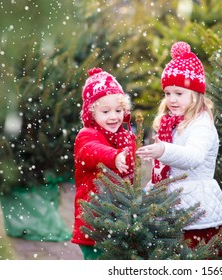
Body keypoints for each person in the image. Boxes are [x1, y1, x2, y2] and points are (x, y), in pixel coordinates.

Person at [136, 42, 222, 250]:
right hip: (174, 208)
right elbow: (166, 171)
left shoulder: (201, 124)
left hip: (198, 213)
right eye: (167, 93)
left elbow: (193, 157)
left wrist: (163, 151)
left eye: (179, 93)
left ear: (195, 94)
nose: (171, 100)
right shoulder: (171, 123)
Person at [71, 67, 135, 259]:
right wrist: (114, 157)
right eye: (106, 111)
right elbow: (91, 152)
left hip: (120, 219)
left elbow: (132, 171)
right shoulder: (87, 135)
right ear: (92, 114)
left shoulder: (126, 137)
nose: (114, 116)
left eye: (118, 110)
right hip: (95, 220)